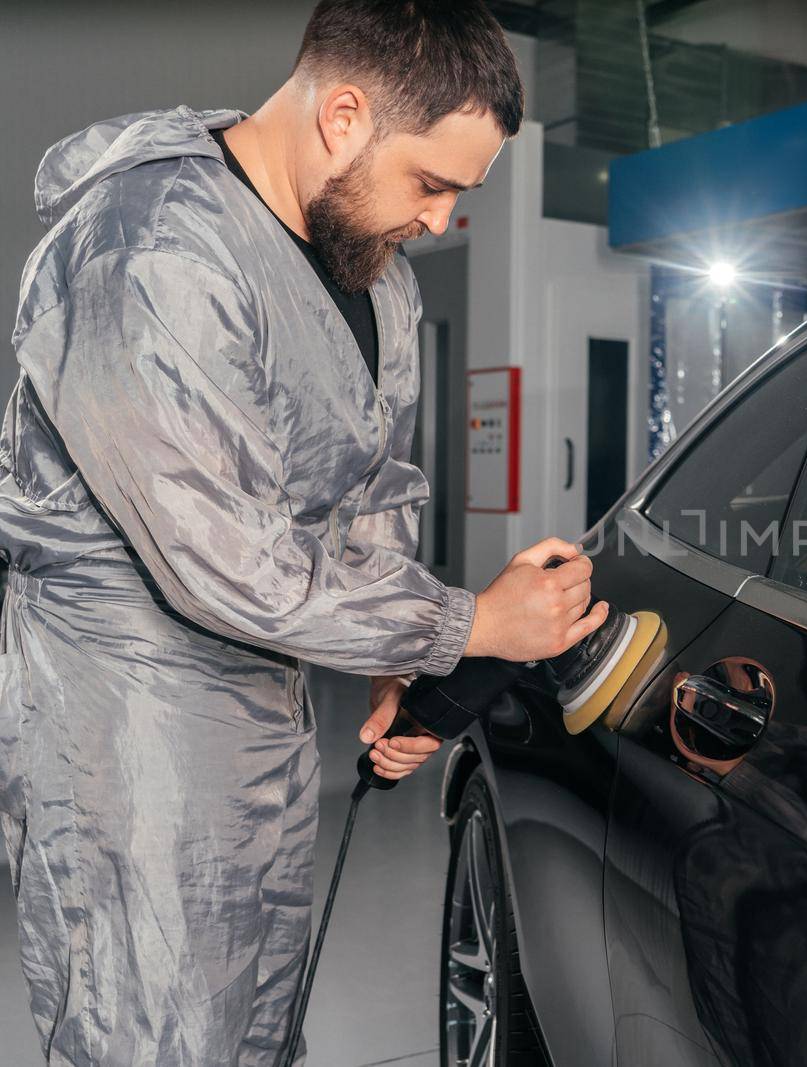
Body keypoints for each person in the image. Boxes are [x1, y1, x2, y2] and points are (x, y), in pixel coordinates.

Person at [0, 2, 608, 1062]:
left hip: (261, 730)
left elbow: (369, 493)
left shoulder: (380, 281)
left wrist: (393, 665)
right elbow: (223, 559)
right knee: (153, 1032)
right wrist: (469, 624)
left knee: (253, 1022)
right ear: (341, 115)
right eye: (432, 182)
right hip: (126, 739)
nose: (439, 220)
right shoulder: (150, 249)